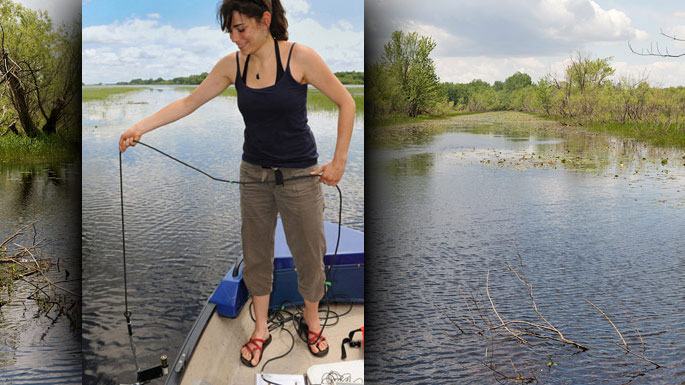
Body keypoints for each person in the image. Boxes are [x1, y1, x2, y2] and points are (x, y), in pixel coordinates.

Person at [119, 0, 354, 368]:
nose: (235, 37)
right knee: (256, 255)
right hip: (254, 176)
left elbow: (346, 102)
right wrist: (138, 128)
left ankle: (311, 322)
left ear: (265, 20)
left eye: (241, 29)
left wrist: (339, 161)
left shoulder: (300, 57)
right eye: (230, 30)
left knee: (309, 254)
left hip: (299, 176)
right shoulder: (233, 65)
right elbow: (188, 101)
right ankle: (261, 329)